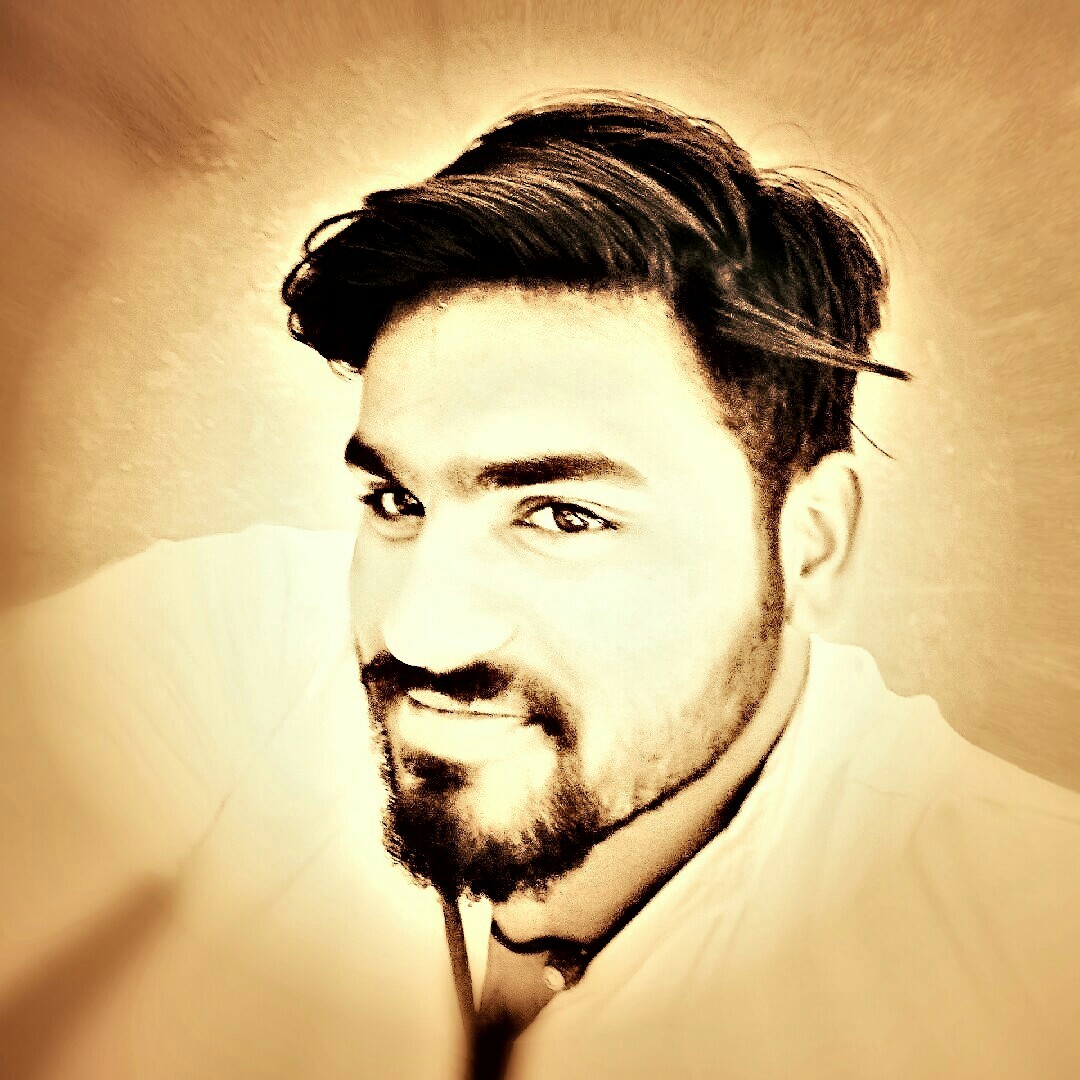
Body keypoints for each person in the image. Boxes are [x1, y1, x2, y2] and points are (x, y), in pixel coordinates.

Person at [3, 93, 1078, 1080]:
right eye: (397, 502)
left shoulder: (1029, 955)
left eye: (563, 516)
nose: (421, 632)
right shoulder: (227, 644)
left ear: (811, 541)